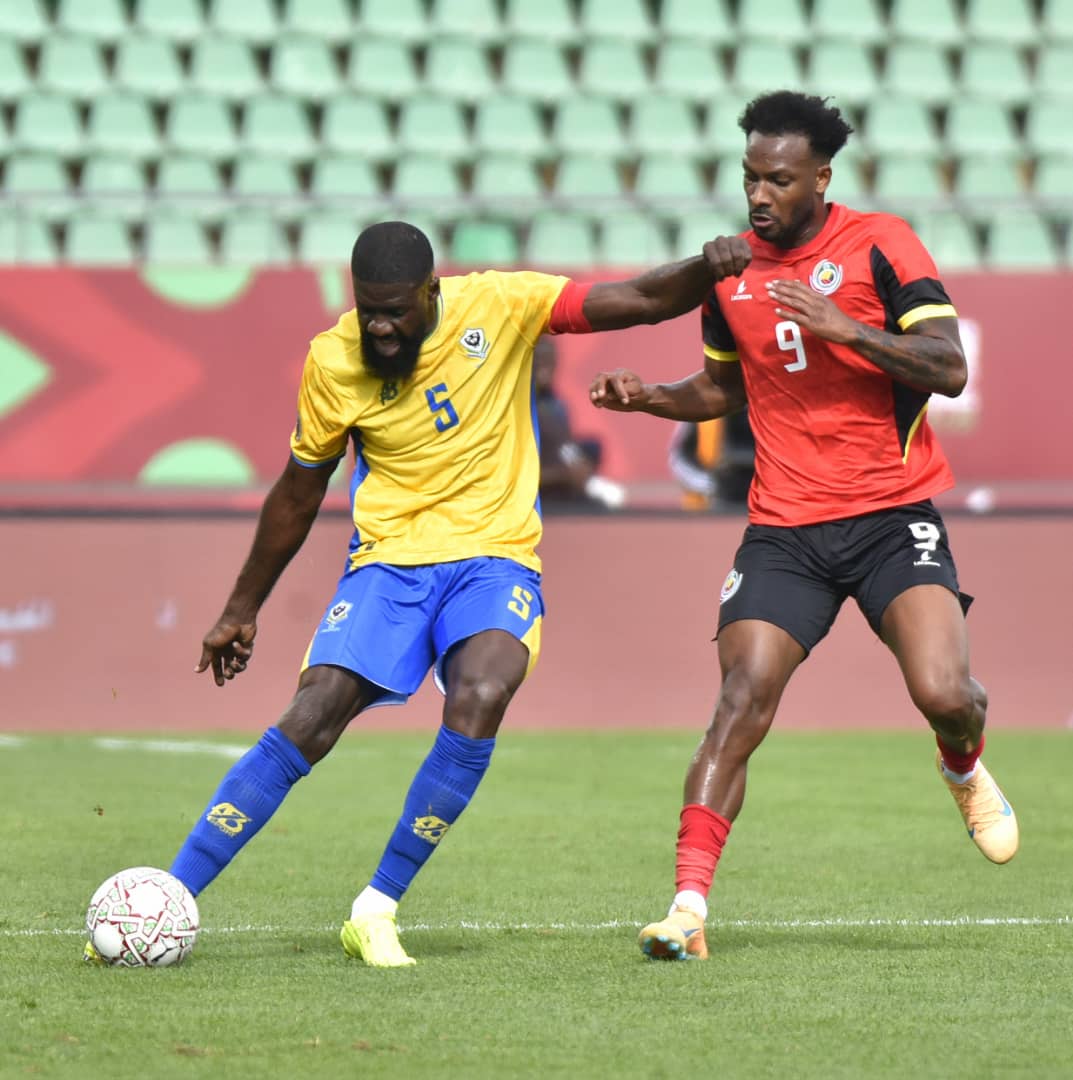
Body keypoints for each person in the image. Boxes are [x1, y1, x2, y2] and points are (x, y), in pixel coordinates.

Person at [82, 220, 742, 969]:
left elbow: (641, 299)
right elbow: (299, 491)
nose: (380, 327)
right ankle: (172, 894)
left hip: (494, 560)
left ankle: (376, 908)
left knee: (482, 692)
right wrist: (241, 608)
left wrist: (710, 265)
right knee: (314, 713)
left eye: (395, 310)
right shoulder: (333, 360)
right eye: (369, 310)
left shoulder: (499, 305)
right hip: (389, 563)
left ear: (431, 291)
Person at [589, 91, 1018, 962]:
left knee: (945, 695)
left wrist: (843, 326)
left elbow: (948, 368)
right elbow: (723, 388)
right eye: (749, 176)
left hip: (891, 514)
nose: (758, 194)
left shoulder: (882, 244)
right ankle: (686, 909)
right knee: (739, 699)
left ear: (820, 179)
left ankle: (962, 764)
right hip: (784, 527)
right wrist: (650, 399)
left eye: (777, 180)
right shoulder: (729, 272)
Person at [533, 336, 625, 510]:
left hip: (563, 481)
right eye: (539, 360)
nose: (545, 366)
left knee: (592, 447)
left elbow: (565, 447)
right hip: (538, 488)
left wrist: (580, 468)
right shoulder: (518, 406)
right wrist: (562, 475)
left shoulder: (555, 403)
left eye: (550, 360)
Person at [668, 411, 754, 511]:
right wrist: (710, 485)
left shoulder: (764, 412)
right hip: (708, 506)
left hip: (759, 500)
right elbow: (678, 457)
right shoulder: (699, 411)